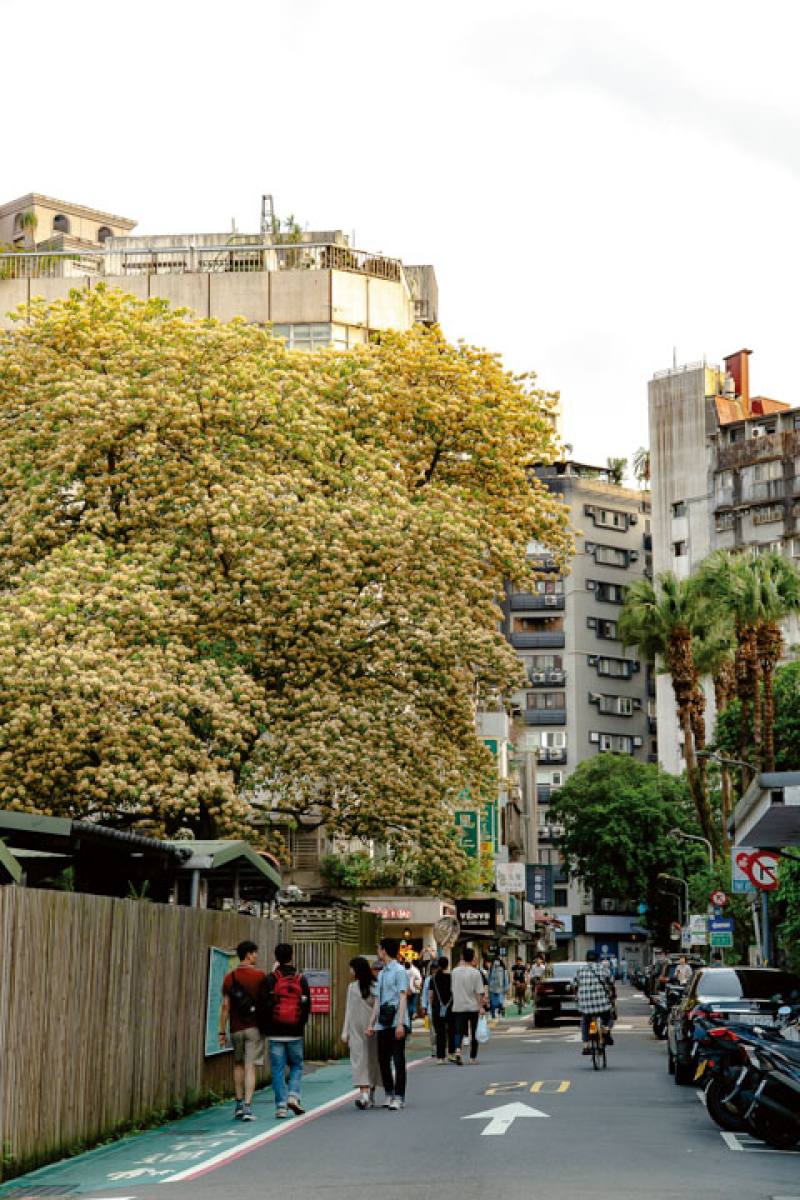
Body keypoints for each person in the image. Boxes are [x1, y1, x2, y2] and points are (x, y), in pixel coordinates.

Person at [257, 943, 311, 1119]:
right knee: (296, 1065)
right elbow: (306, 1005)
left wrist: (266, 1027)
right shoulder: (300, 979)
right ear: (292, 956)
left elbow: (263, 1006)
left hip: (275, 1032)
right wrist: (300, 1025)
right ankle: (293, 1096)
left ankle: (281, 1106)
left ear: (276, 957)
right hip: (295, 1032)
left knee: (278, 1069)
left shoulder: (270, 979)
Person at [219, 940, 266, 1122]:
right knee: (250, 1066)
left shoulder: (229, 977)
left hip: (235, 1029)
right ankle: (247, 1107)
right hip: (254, 1028)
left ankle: (238, 1105)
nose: (256, 956)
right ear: (248, 954)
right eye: (254, 953)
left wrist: (222, 1032)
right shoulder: (260, 976)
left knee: (237, 1065)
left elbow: (225, 1007)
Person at [366, 937, 410, 1110]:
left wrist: (400, 1023)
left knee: (398, 1060)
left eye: (379, 949)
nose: (378, 952)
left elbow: (403, 996)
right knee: (383, 1060)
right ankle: (389, 1093)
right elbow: (377, 1001)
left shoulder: (399, 971)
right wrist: (371, 1024)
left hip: (396, 1020)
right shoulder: (382, 973)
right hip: (383, 1023)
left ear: (384, 950)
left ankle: (399, 1096)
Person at [341, 956, 380, 1109]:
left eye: (351, 968)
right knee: (359, 1061)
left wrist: (373, 1024)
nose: (350, 971)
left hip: (371, 1029)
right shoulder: (352, 987)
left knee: (371, 1061)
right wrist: (345, 1031)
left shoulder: (374, 986)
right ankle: (364, 1095)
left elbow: (377, 1007)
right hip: (356, 1030)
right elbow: (348, 1010)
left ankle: (369, 1095)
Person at [451, 947, 487, 1064]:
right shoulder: (475, 973)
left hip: (458, 1006)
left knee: (459, 1031)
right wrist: (481, 1006)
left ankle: (457, 1051)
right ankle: (472, 1058)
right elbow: (478, 992)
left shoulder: (454, 972)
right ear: (472, 958)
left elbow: (452, 989)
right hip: (473, 1006)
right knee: (474, 1032)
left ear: (462, 957)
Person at [575, 950, 615, 1056]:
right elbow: (611, 980)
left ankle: (586, 1045)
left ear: (586, 959)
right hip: (602, 1003)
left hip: (585, 1005)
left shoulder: (580, 970)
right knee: (610, 1016)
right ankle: (605, 1029)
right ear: (598, 959)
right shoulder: (603, 968)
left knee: (584, 1021)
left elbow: (574, 983)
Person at [429, 955, 455, 1063]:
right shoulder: (452, 977)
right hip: (451, 1006)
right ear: (447, 965)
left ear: (438, 965)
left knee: (439, 1032)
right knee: (451, 1031)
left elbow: (430, 995)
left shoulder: (433, 979)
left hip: (438, 1007)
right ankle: (451, 1053)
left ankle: (440, 1057)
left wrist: (432, 1006)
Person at [420, 959, 438, 1055]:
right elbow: (425, 994)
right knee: (433, 1031)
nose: (434, 971)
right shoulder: (428, 980)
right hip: (431, 1009)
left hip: (441, 1009)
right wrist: (424, 1006)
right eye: (433, 969)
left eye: (436, 968)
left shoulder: (442, 978)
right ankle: (434, 1049)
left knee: (440, 1030)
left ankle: (441, 1048)